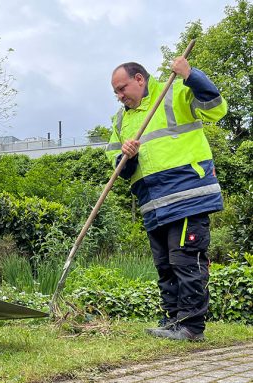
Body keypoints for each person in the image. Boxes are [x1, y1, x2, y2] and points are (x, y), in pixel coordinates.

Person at [105, 57, 227, 341]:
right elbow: (118, 167)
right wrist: (126, 157)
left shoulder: (175, 92)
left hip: (187, 196)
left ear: (139, 79)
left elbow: (216, 109)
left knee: (185, 261)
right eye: (116, 93)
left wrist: (191, 75)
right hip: (153, 204)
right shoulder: (122, 119)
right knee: (165, 266)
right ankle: (173, 321)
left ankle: (191, 327)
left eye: (122, 89)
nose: (120, 96)